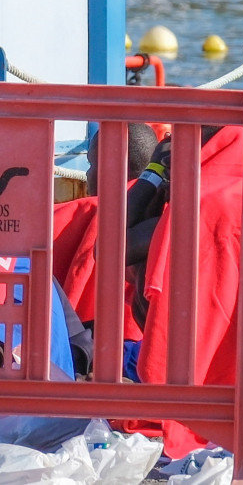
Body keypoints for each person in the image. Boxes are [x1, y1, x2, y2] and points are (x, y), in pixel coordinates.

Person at [123, 126, 243, 458]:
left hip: (227, 382)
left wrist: (154, 171)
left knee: (156, 270)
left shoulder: (200, 203)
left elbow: (113, 246)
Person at [53, 123, 159, 345]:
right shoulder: (168, 211)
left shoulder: (79, 214)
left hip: (92, 342)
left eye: (91, 164)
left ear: (109, 167)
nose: (87, 173)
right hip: (149, 342)